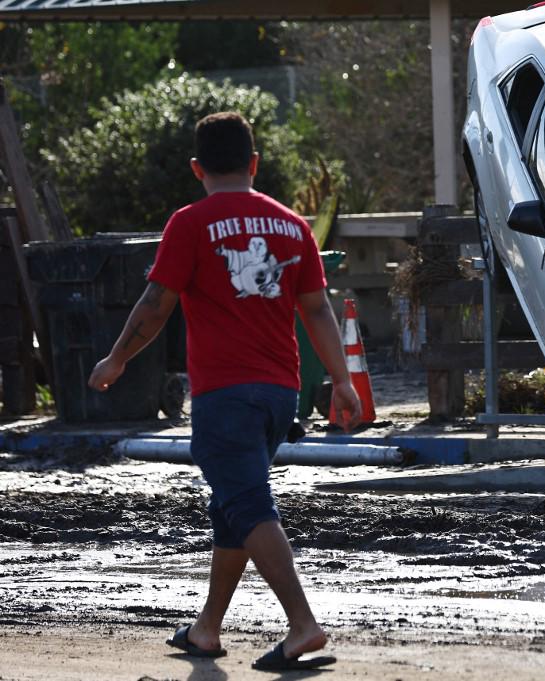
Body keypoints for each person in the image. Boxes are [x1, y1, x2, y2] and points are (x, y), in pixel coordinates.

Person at [88, 111, 361, 671]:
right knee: (232, 507)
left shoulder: (189, 223)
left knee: (248, 503)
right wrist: (341, 381)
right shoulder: (293, 226)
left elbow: (156, 305)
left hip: (225, 394)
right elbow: (317, 310)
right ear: (254, 163)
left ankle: (303, 624)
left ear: (197, 168)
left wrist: (117, 356)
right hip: (280, 393)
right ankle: (207, 629)